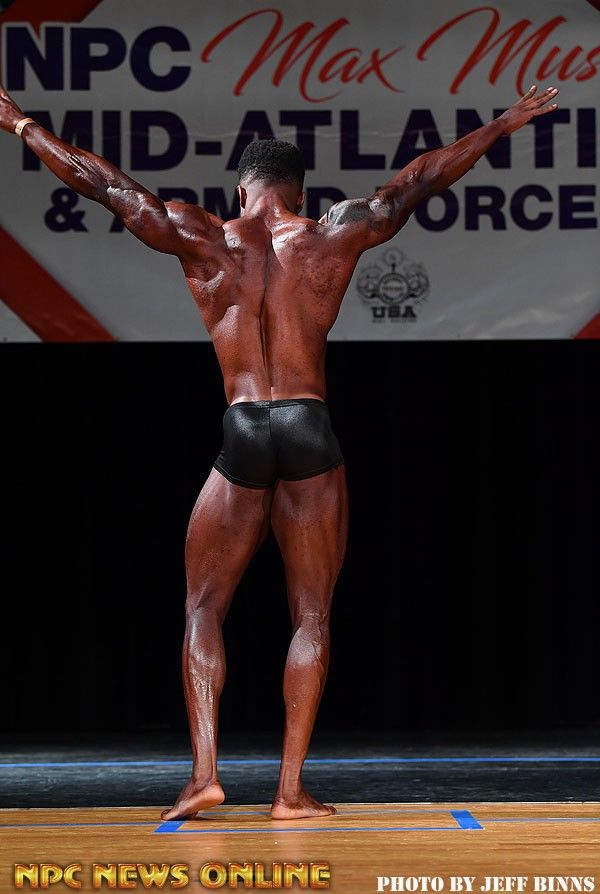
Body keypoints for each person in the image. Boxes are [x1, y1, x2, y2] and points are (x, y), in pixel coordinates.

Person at [0, 80, 559, 820]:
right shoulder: (332, 232)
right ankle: (289, 792)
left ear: (242, 189)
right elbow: (419, 180)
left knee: (203, 606)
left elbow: (105, 185)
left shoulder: (202, 234)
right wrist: (502, 124)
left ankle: (204, 776)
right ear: (302, 193)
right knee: (312, 615)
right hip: (309, 426)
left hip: (243, 426)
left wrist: (22, 124)